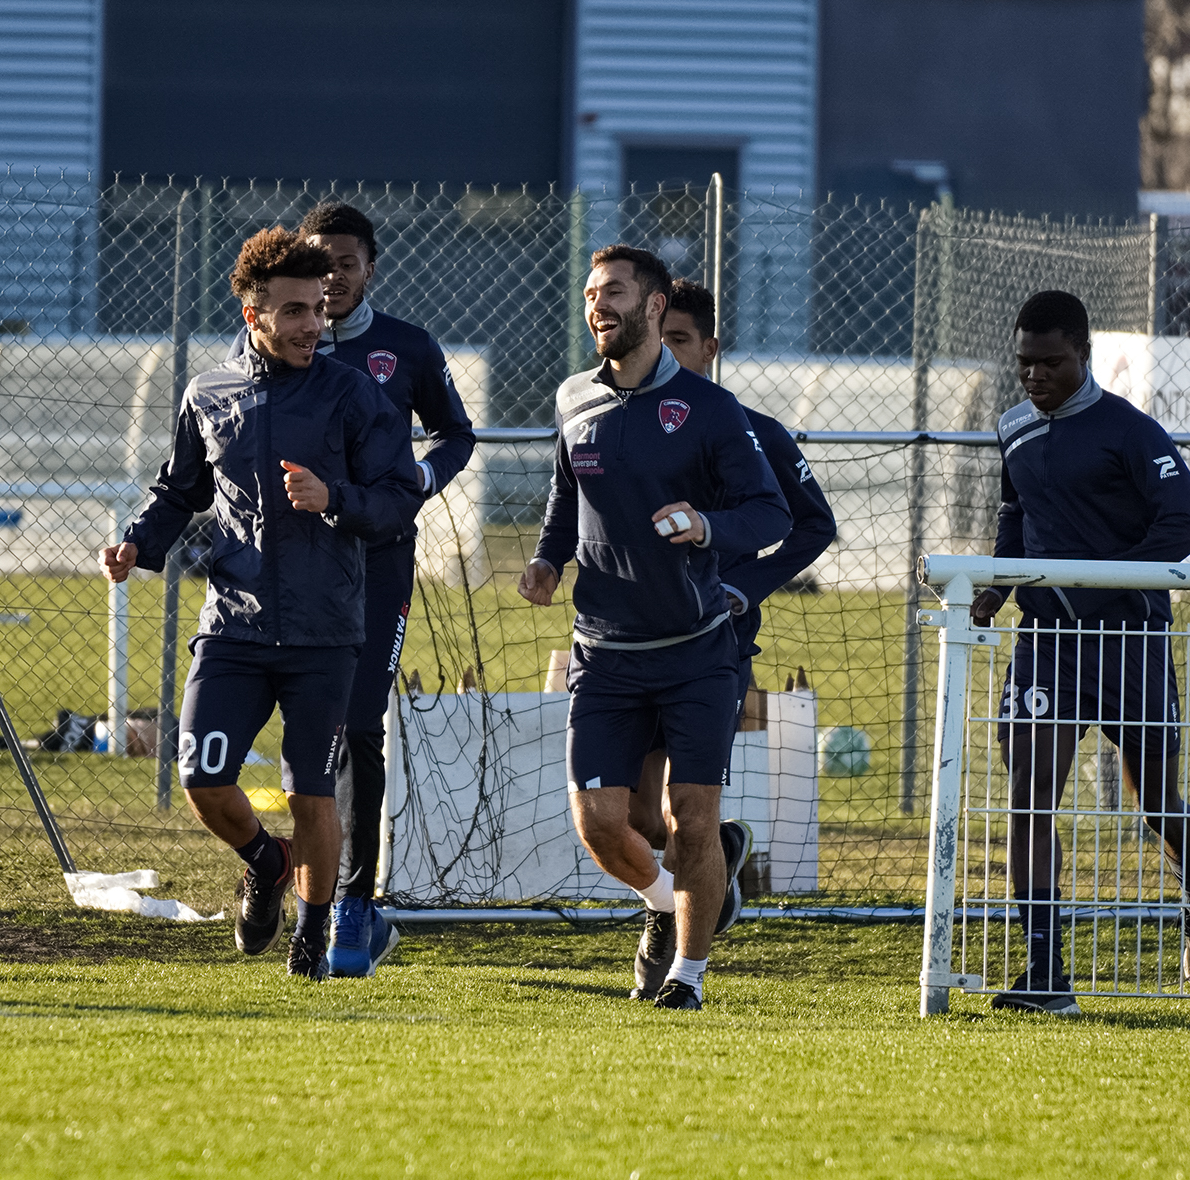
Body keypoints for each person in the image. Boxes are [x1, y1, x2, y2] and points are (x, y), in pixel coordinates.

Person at [103, 227, 420, 981]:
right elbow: (179, 490)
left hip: (324, 631)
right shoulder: (209, 394)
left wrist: (333, 498)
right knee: (202, 779)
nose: (314, 323)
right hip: (234, 626)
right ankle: (265, 861)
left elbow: (399, 496)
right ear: (253, 316)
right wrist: (136, 544)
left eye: (318, 308)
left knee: (311, 786)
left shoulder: (353, 395)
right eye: (294, 312)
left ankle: (312, 936)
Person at [519, 245, 793, 1010]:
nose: (596, 306)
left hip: (696, 653)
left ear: (654, 306)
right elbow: (564, 496)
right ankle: (667, 904)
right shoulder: (575, 397)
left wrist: (706, 525)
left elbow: (770, 513)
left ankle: (689, 976)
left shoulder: (711, 410)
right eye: (588, 294)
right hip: (603, 655)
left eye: (612, 292)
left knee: (692, 819)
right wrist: (546, 560)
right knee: (601, 825)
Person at [228, 201, 476, 979]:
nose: (331, 277)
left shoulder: (403, 349)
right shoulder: (264, 348)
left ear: (371, 267)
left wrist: (420, 479)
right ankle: (277, 874)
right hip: (286, 574)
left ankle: (356, 911)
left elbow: (455, 431)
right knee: (289, 733)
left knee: (359, 729)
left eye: (345, 262)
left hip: (376, 562)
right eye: (317, 262)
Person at [971, 289, 1190, 1015]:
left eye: (1050, 362)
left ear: (1083, 354)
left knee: (1156, 807)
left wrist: (1105, 584)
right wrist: (995, 588)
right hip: (1047, 643)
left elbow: (1188, 522)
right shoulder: (1013, 429)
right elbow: (1014, 518)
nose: (1034, 377)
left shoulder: (1130, 431)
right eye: (1024, 364)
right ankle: (1047, 971)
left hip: (1129, 641)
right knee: (1029, 798)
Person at [617, 279, 837, 999]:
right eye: (659, 339)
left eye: (680, 340)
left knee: (689, 812)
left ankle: (679, 941)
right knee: (638, 816)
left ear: (709, 349)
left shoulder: (754, 433)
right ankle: (705, 868)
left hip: (717, 648)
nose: (667, 352)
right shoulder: (626, 425)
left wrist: (750, 585)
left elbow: (815, 525)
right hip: (635, 642)